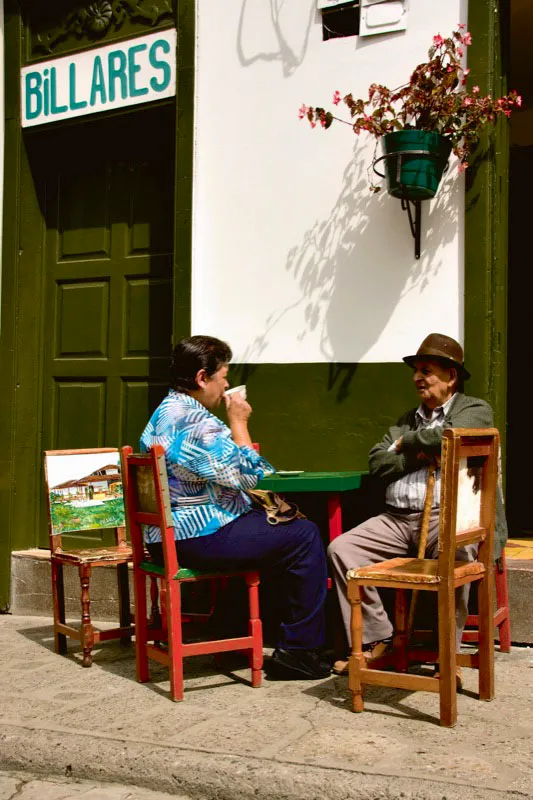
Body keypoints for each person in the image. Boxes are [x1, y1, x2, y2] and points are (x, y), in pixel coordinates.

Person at [140, 335, 330, 680]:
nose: (226, 384)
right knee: (304, 534)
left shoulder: (165, 412)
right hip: (196, 536)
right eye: (222, 376)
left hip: (169, 534)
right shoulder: (196, 424)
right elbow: (251, 477)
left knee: (271, 529)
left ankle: (228, 631)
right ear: (202, 378)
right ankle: (300, 650)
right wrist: (239, 423)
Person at [328, 333, 508, 678]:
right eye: (416, 371)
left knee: (460, 557)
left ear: (451, 376)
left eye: (426, 371)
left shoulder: (473, 409)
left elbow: (451, 437)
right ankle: (377, 638)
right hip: (397, 519)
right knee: (343, 549)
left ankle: (448, 655)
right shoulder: (406, 418)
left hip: (448, 518)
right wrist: (422, 455)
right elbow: (378, 462)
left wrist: (406, 444)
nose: (417, 378)